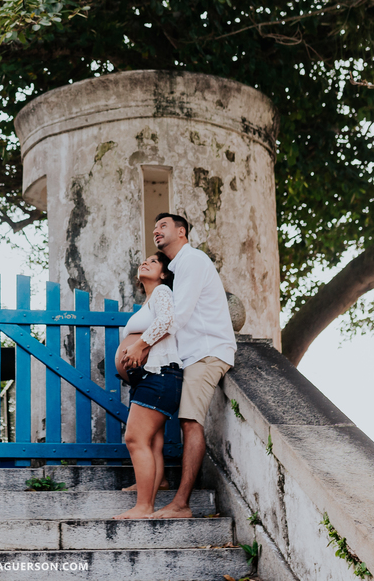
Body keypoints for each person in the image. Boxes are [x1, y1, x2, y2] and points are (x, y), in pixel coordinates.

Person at [140, 212, 237, 519]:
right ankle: (162, 479)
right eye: (155, 227)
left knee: (189, 422)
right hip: (190, 354)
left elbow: (177, 316)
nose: (157, 231)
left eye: (163, 226)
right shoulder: (178, 267)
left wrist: (143, 344)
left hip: (206, 352)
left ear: (181, 232)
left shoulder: (192, 261)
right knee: (167, 417)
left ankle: (181, 503)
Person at [112, 252, 183, 519]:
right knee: (151, 442)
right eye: (144, 260)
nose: (146, 262)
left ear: (164, 274)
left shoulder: (163, 291)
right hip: (152, 377)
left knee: (135, 438)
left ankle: (144, 506)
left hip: (160, 375)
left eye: (154, 262)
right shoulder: (150, 301)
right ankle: (153, 486)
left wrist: (141, 345)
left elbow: (167, 321)